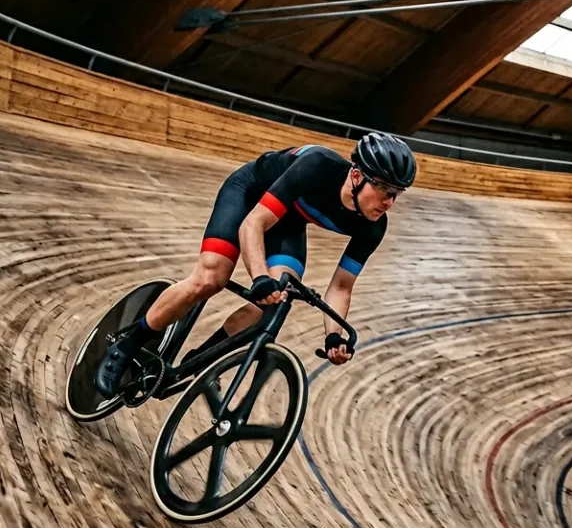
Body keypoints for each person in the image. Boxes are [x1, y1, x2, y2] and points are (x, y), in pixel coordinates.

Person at [94, 132, 417, 397]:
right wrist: (259, 276)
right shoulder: (316, 168)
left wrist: (334, 337)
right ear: (357, 177)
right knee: (211, 277)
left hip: (288, 220)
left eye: (396, 194)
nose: (389, 203)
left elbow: (341, 286)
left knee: (276, 302)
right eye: (385, 190)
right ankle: (129, 342)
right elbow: (253, 224)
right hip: (250, 194)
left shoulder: (374, 226)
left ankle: (202, 361)